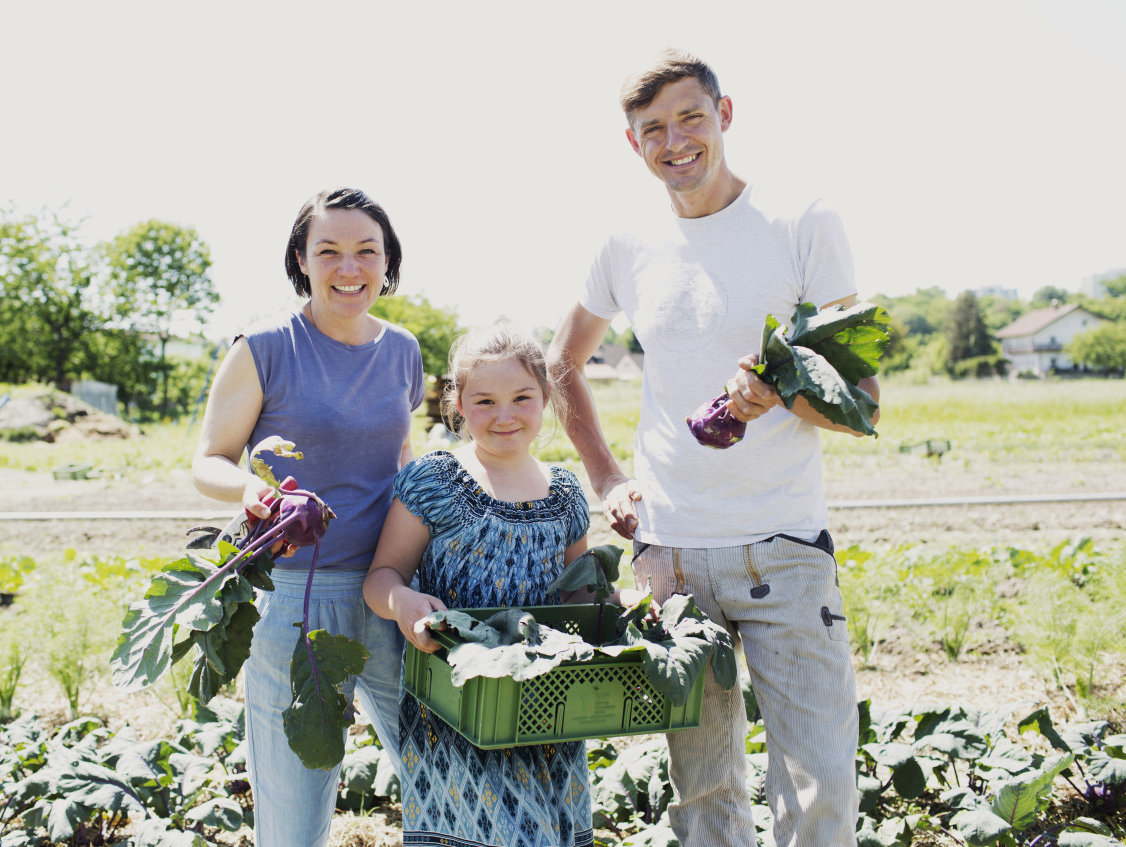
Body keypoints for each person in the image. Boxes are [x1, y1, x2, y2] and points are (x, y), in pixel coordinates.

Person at [547, 49, 880, 847]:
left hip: (786, 550)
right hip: (673, 557)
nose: (675, 140)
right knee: (703, 798)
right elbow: (559, 365)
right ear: (634, 145)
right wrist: (606, 476)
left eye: (691, 117)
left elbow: (862, 403)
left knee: (822, 787)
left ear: (725, 116)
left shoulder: (803, 221)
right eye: (653, 128)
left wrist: (779, 394)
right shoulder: (625, 243)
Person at [192, 187, 424, 847]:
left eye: (365, 251)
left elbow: (403, 462)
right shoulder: (265, 346)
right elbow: (210, 459)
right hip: (294, 598)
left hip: (389, 591)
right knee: (294, 813)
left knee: (438, 767)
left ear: (386, 262)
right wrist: (251, 494)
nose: (348, 267)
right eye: (329, 251)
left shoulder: (404, 350)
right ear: (302, 258)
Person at [363, 324, 595, 847]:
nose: (505, 415)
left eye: (521, 398)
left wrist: (623, 606)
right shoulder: (434, 481)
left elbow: (581, 597)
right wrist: (403, 604)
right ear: (459, 404)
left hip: (546, 709)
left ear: (546, 399)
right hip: (458, 707)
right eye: (485, 401)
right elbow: (381, 578)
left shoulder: (566, 492)